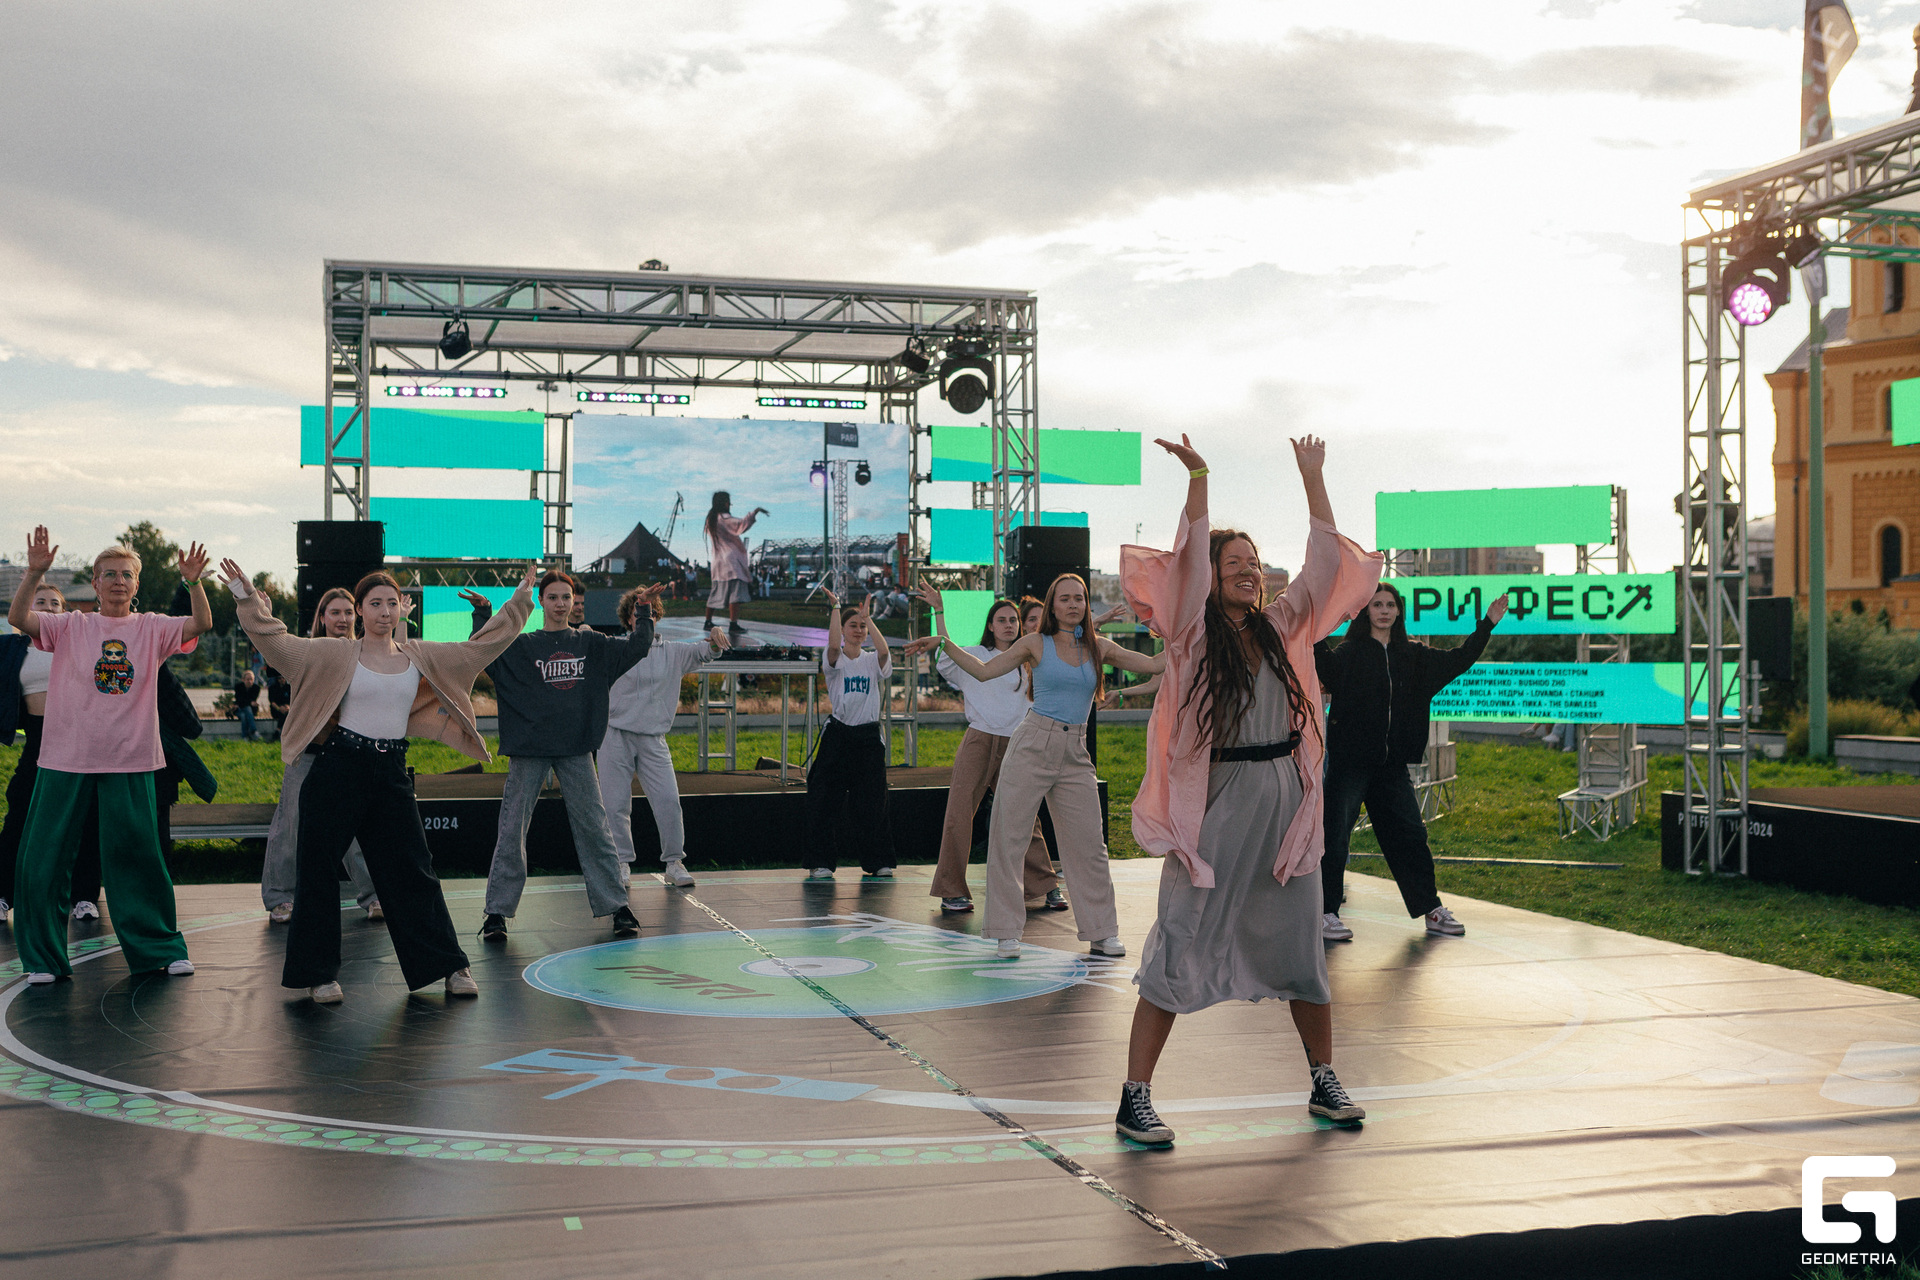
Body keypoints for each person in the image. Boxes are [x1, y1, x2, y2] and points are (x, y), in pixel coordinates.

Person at [1114, 433, 1381, 1146]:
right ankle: (1135, 1096)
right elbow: (1186, 561)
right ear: (1210, 576)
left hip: (1284, 809)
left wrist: (1313, 478)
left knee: (1301, 950)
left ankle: (1324, 1079)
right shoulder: (1191, 635)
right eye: (1232, 563)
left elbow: (1324, 567)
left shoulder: (1282, 627)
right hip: (1219, 808)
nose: (1247, 571)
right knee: (1179, 942)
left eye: (1254, 563)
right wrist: (1199, 477)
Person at [224, 557, 535, 1004]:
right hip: (337, 769)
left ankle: (449, 966)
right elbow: (276, 643)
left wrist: (519, 604)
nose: (384, 611)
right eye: (374, 603)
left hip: (390, 773)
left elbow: (482, 648)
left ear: (400, 608)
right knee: (317, 873)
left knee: (414, 870)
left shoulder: (420, 655)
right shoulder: (333, 653)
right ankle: (319, 976)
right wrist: (246, 596)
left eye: (391, 603)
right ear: (360, 610)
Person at [918, 574, 1161, 958]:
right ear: (1052, 606)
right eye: (1064, 598)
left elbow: (1154, 664)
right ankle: (1005, 932)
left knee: (1090, 846)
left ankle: (1102, 932)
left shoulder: (1099, 647)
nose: (1073, 604)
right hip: (1032, 742)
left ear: (1086, 605)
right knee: (1008, 837)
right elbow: (983, 671)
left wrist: (1187, 629)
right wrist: (945, 642)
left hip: (1075, 750)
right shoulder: (1035, 643)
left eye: (1079, 598)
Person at [7, 528, 211, 985]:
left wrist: (194, 582)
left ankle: (159, 949)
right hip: (65, 757)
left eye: (127, 575)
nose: (119, 581)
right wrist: (35, 572)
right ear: (95, 584)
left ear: (137, 585)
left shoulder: (152, 626)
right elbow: (20, 617)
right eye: (110, 575)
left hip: (131, 758)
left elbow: (201, 623)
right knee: (43, 859)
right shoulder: (70, 625)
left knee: (140, 859)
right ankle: (43, 958)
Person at [464, 572, 661, 942]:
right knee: (511, 831)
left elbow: (637, 647)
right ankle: (496, 914)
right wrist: (483, 613)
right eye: (552, 597)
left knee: (596, 830)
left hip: (575, 749)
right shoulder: (523, 645)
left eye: (565, 597)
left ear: (574, 601)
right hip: (529, 750)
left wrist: (644, 610)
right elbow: (483, 652)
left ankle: (618, 907)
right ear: (541, 601)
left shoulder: (591, 643)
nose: (559, 603)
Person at [1315, 581, 1505, 941]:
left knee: (1411, 837)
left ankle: (1431, 909)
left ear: (1399, 611)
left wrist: (1487, 624)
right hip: (1350, 765)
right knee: (1334, 837)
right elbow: (1323, 665)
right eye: (1376, 605)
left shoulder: (1414, 656)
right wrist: (1312, 624)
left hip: (1391, 768)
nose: (1384, 610)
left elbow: (1459, 659)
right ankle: (1325, 913)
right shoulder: (1350, 653)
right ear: (1365, 611)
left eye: (1390, 604)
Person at [912, 598, 1059, 915]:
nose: (1009, 625)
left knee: (1025, 816)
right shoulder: (976, 654)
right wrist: (940, 611)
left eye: (1013, 620)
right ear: (990, 626)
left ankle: (1046, 886)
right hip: (979, 741)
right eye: (1001, 620)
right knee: (959, 814)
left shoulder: (1028, 659)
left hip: (1016, 744)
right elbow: (945, 655)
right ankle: (951, 891)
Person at [259, 587, 382, 924]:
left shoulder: (366, 653)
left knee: (355, 827)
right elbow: (274, 649)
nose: (342, 618)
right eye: (335, 612)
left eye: (348, 612)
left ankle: (374, 896)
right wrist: (263, 616)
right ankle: (280, 898)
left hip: (351, 753)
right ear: (323, 618)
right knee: (291, 823)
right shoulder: (307, 651)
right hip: (309, 752)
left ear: (356, 616)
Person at [598, 588, 728, 890]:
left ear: (657, 616)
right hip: (614, 735)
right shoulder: (615, 647)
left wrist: (716, 637)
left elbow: (706, 652)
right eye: (639, 612)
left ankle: (674, 863)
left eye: (652, 612)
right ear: (629, 618)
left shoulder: (674, 652)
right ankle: (621, 864)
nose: (647, 617)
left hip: (653, 738)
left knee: (668, 801)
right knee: (615, 805)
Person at [0, 579, 102, 922]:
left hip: (79, 737)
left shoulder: (78, 643)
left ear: (65, 611)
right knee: (19, 812)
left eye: (54, 603)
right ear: (28, 608)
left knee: (85, 816)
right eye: (40, 602)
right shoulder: (11, 647)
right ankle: (3, 894)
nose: (47, 608)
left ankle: (84, 897)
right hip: (38, 737)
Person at [804, 591, 897, 881]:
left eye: (862, 626)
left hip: (868, 738)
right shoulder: (835, 659)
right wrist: (836, 607)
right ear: (843, 630)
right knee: (823, 800)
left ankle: (878, 861)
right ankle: (820, 862)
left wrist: (870, 619)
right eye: (853, 625)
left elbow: (884, 653)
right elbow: (833, 645)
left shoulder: (871, 661)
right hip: (839, 734)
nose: (858, 630)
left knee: (872, 803)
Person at [703, 491, 767, 632]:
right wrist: (755, 512)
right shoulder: (725, 519)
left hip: (718, 561)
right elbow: (741, 525)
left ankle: (708, 621)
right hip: (731, 561)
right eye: (728, 501)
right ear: (725, 503)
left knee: (716, 592)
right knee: (735, 593)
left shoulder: (711, 520)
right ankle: (733, 624)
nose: (729, 504)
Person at [233, 668, 262, 741]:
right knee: (246, 710)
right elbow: (239, 699)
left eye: (251, 679)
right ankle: (253, 731)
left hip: (251, 710)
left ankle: (245, 737)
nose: (249, 681)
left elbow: (251, 699)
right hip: (239, 709)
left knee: (244, 714)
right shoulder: (238, 687)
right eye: (247, 679)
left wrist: (246, 702)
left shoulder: (256, 688)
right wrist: (249, 702)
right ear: (243, 680)